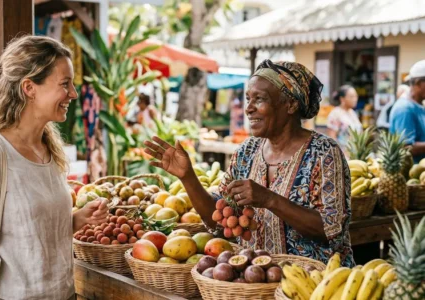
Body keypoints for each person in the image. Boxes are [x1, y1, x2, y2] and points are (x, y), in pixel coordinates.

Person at [145, 59, 354, 267]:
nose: (249, 109)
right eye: (248, 99)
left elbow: (332, 229)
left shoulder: (324, 153)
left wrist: (269, 199)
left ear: (291, 104)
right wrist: (188, 177)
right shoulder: (248, 151)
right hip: (257, 282)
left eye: (259, 99)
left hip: (317, 285)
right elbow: (218, 222)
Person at [0, 35, 108, 299]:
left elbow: (30, 234)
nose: (72, 94)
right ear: (29, 88)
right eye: (65, 84)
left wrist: (77, 219)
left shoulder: (50, 150)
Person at [390, 60, 425, 163]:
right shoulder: (404, 109)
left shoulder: (419, 105)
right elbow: (406, 147)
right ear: (418, 83)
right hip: (411, 174)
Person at [326, 85, 362, 153]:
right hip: (342, 155)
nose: (355, 99)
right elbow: (331, 139)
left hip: (354, 156)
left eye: (356, 96)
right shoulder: (335, 114)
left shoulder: (353, 113)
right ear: (342, 99)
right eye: (351, 97)